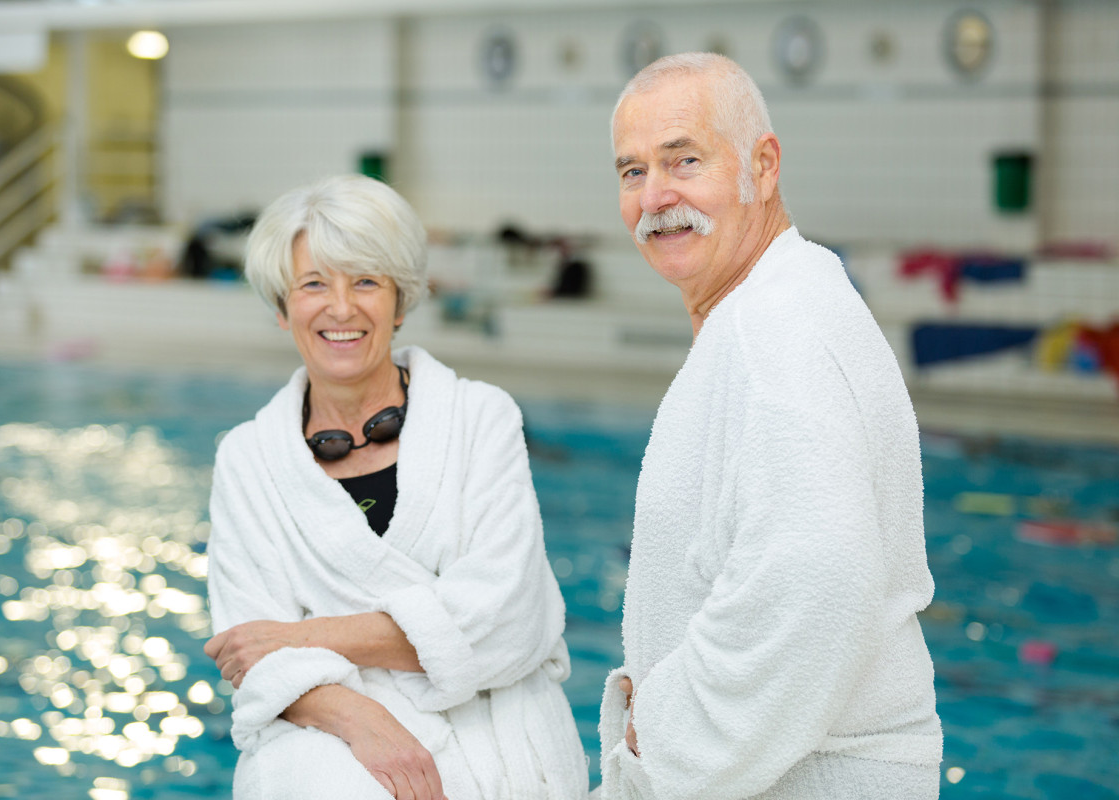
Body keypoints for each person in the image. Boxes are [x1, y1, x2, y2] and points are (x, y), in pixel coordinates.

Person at [597, 53, 943, 799]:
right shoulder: (769, 310)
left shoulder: (777, 330)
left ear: (763, 164)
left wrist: (665, 730)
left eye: (684, 160)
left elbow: (817, 581)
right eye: (632, 172)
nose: (656, 196)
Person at [203, 175, 587, 800]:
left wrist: (306, 634)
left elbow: (507, 619)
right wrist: (366, 723)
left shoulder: (481, 418)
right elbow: (251, 654)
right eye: (314, 284)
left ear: (400, 302)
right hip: (334, 746)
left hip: (500, 748)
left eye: (365, 282)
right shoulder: (248, 459)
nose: (342, 308)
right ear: (281, 307)